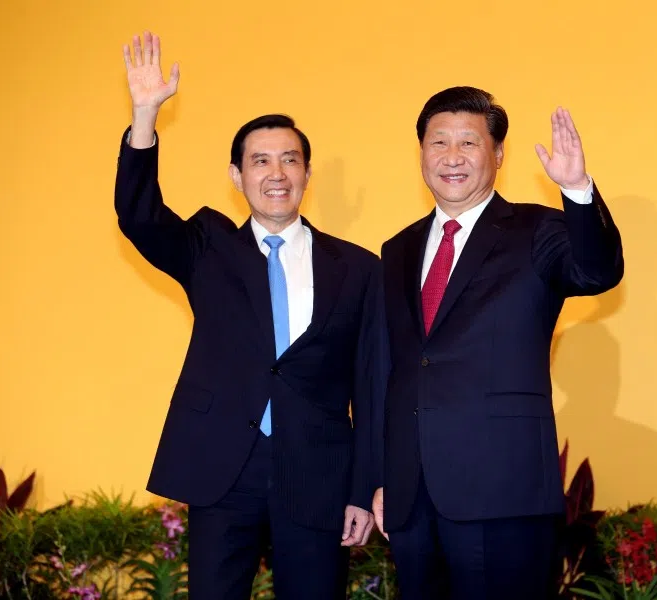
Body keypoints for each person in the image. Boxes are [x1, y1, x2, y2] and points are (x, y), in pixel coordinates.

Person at [115, 31, 378, 599]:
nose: (276, 173)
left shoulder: (357, 269)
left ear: (308, 172)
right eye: (260, 161)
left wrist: (363, 488)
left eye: (290, 159)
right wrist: (143, 118)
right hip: (224, 469)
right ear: (236, 176)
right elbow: (139, 216)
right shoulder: (207, 246)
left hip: (318, 473)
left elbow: (371, 384)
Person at [371, 86, 624, 599]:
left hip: (503, 492)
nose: (452, 157)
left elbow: (597, 272)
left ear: (499, 153)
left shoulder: (538, 229)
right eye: (439, 142)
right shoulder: (397, 249)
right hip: (411, 498)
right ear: (421, 153)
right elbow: (391, 369)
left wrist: (577, 190)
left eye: (469, 142)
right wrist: (380, 478)